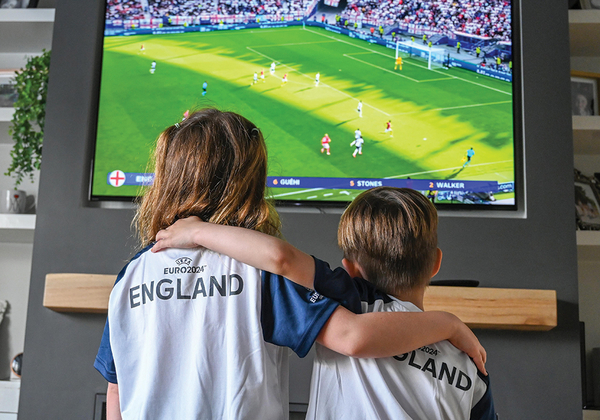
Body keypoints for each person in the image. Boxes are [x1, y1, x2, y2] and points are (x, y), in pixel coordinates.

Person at [95, 109, 486, 420]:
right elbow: (352, 336)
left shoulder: (132, 273)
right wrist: (448, 322)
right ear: (247, 184)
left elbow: (117, 389)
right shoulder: (258, 271)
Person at [152, 187, 495, 420]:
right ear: (435, 263)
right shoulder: (471, 363)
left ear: (349, 269)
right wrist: (448, 323)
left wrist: (196, 232)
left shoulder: (350, 299)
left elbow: (280, 259)